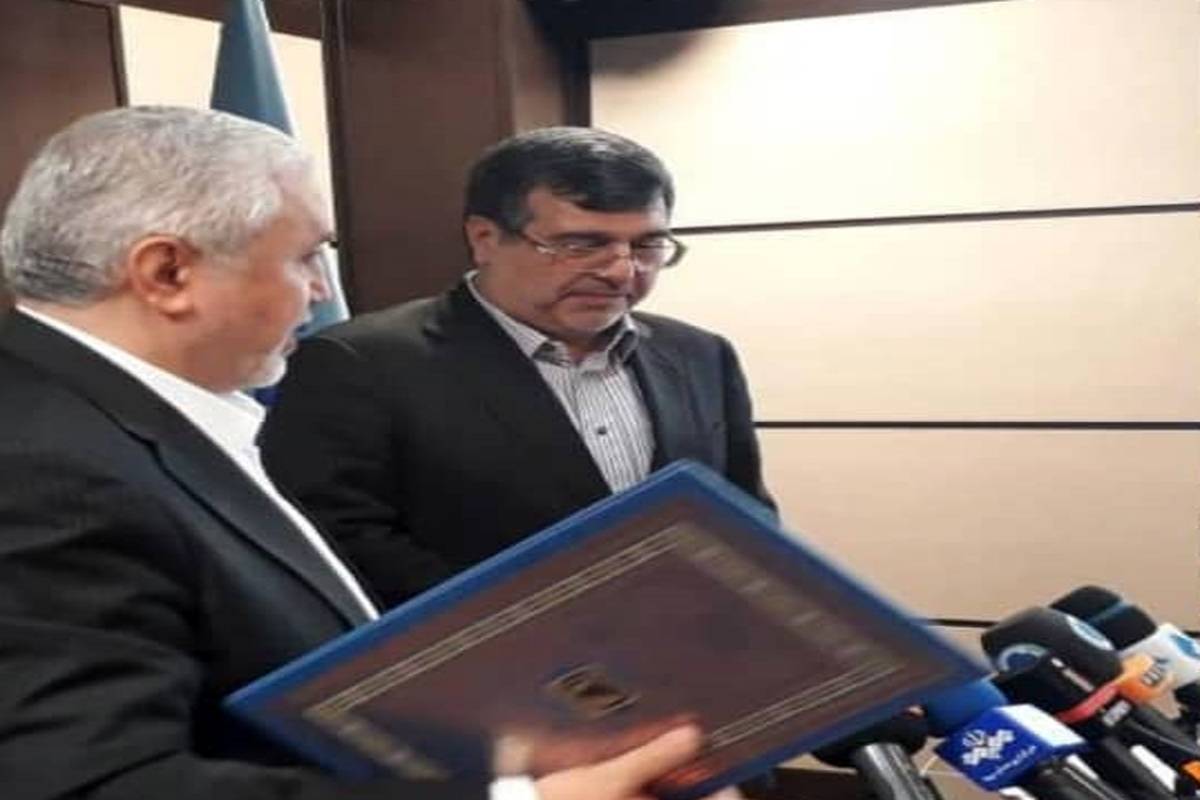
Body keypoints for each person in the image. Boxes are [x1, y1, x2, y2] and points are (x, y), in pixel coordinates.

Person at [0, 107, 710, 800]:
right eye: (306, 256)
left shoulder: (116, 418)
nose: (320, 291)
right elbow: (86, 782)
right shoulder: (40, 470)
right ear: (167, 273)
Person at [261, 127, 774, 608]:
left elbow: (743, 516)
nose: (621, 271)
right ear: (484, 238)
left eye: (647, 246)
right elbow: (340, 542)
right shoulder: (361, 362)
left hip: (684, 649)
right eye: (581, 245)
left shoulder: (699, 355)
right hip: (477, 659)